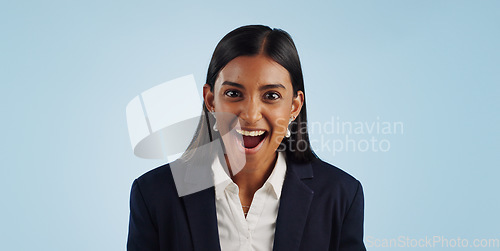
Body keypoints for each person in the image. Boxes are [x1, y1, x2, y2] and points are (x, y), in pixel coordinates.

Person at [127, 25, 366, 251]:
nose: (250, 115)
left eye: (271, 95)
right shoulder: (154, 195)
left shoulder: (340, 194)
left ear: (294, 106)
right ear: (210, 101)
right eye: (233, 93)